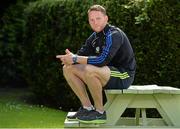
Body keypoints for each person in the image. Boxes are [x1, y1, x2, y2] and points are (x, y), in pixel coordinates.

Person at [56, 4, 136, 124]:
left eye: (98, 18)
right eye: (91, 20)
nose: (95, 22)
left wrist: (76, 58)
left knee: (90, 69)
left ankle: (99, 112)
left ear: (106, 18)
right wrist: (70, 58)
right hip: (105, 74)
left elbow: (102, 60)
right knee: (68, 69)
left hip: (123, 75)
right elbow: (78, 58)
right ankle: (87, 108)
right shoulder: (93, 38)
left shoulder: (114, 34)